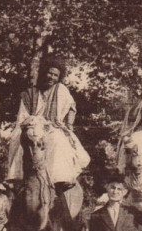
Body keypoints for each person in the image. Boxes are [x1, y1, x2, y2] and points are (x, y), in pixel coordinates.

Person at [7, 56, 90, 188]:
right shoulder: (30, 93)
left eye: (55, 75)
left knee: (57, 139)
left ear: (59, 77)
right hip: (32, 124)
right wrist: (31, 122)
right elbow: (22, 116)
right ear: (44, 73)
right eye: (50, 73)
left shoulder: (61, 90)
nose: (51, 77)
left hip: (53, 125)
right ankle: (19, 176)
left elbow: (71, 107)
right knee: (18, 138)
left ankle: (58, 178)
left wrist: (69, 125)